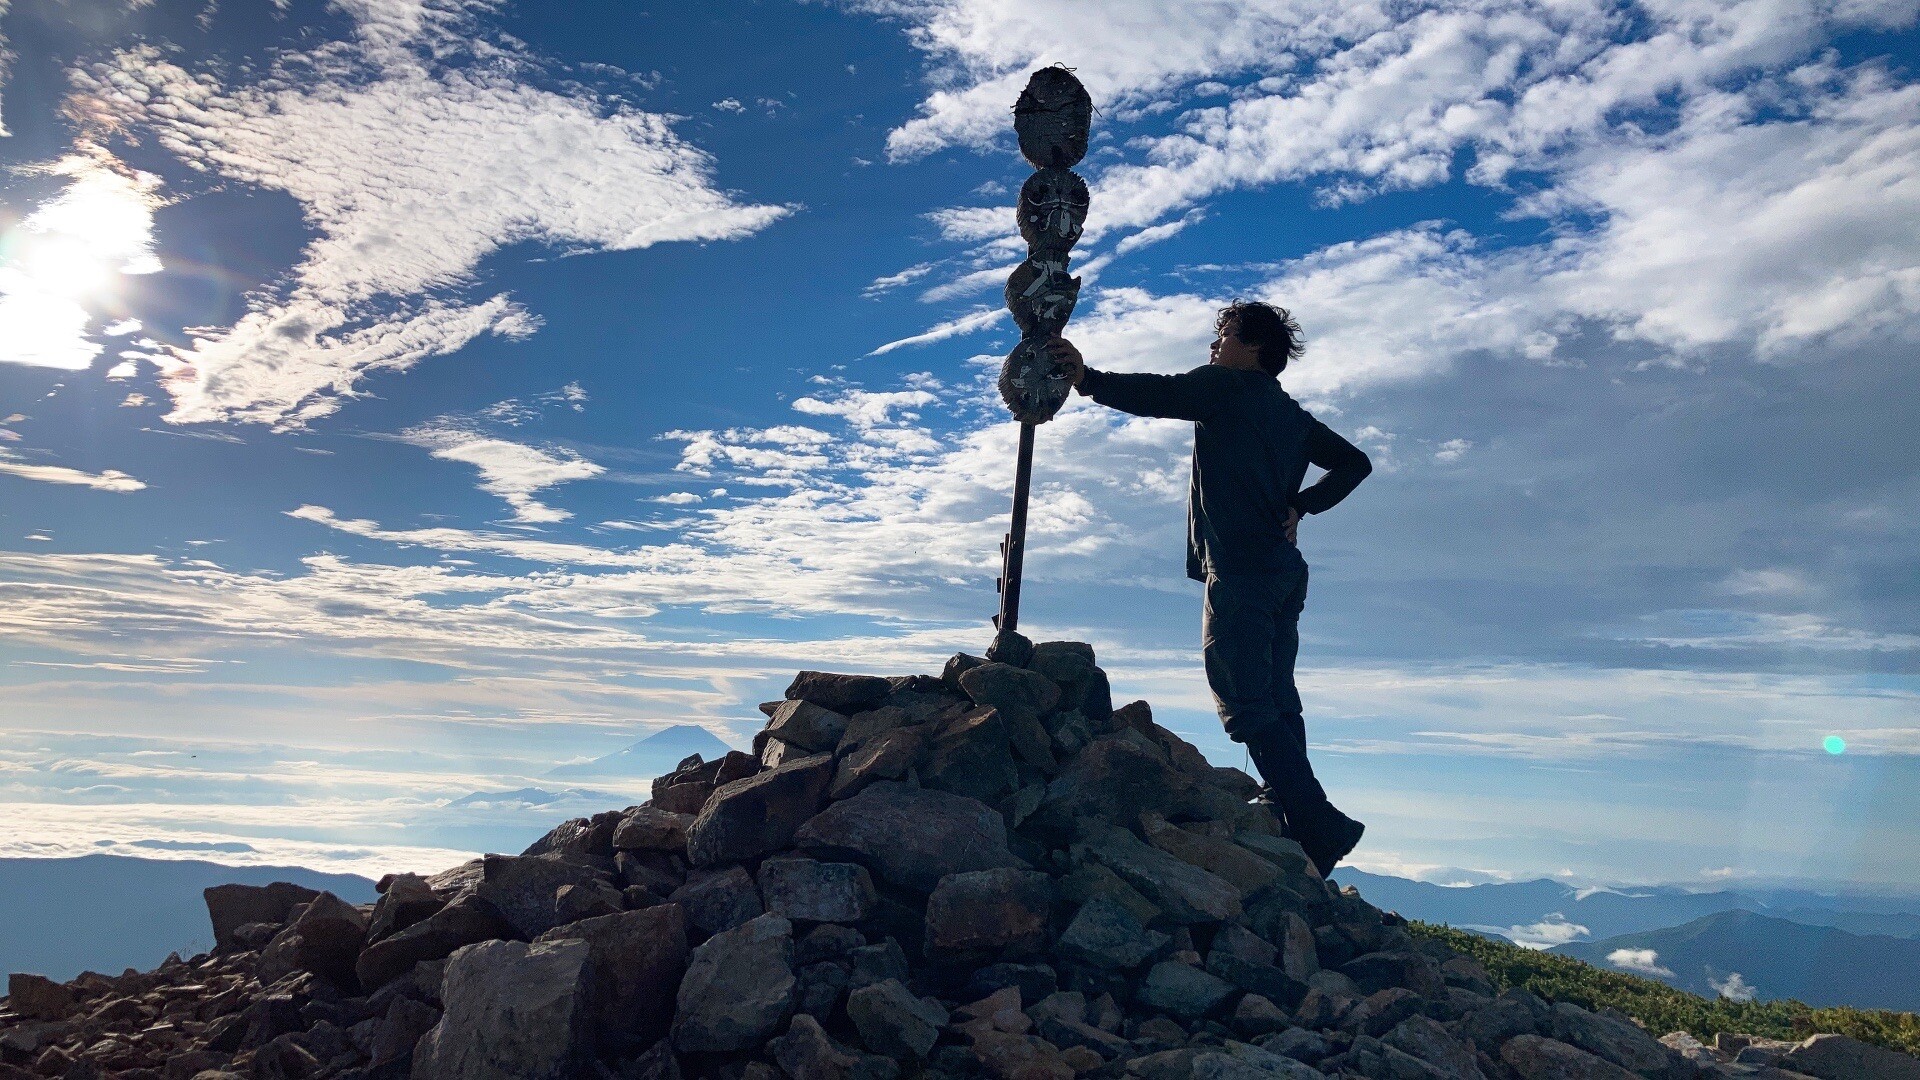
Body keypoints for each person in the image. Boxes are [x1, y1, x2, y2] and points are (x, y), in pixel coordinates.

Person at [1048, 301, 1371, 878]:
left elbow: (1159, 394)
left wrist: (1087, 380)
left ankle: (1319, 824)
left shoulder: (1225, 388)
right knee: (1277, 694)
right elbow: (1355, 463)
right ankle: (1293, 806)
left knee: (1244, 703)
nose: (1214, 346)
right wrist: (1303, 504)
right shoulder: (1287, 412)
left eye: (1223, 335)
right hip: (1283, 572)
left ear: (1251, 349)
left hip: (1242, 574)